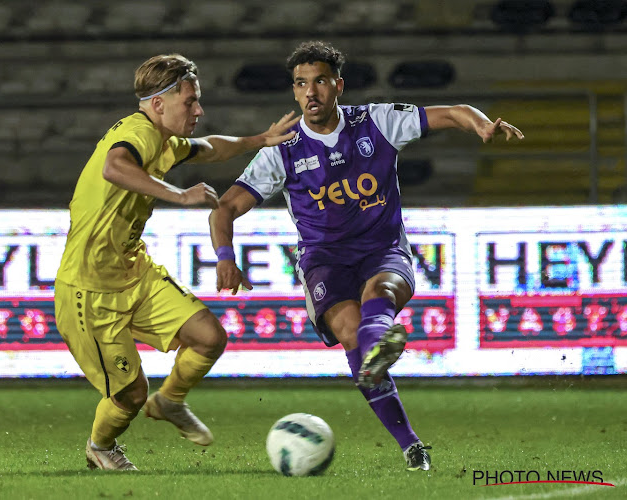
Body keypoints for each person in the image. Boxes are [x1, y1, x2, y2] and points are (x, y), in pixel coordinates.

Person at [209, 41, 524, 471]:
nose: (310, 93)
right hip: (324, 261)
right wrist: (225, 256)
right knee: (349, 330)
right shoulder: (281, 150)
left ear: (338, 85)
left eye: (319, 81)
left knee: (382, 291)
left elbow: (452, 112)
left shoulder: (376, 121)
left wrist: (482, 125)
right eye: (301, 84)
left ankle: (380, 348)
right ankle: (410, 440)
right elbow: (225, 208)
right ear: (295, 92)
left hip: (383, 248)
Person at [54, 53, 298, 471]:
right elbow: (115, 166)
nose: (199, 110)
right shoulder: (138, 133)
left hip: (134, 272)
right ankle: (101, 445)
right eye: (190, 102)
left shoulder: (163, 140)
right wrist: (179, 195)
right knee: (130, 396)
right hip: (87, 290)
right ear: (158, 103)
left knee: (208, 337)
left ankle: (169, 401)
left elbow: (209, 147)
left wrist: (258, 140)